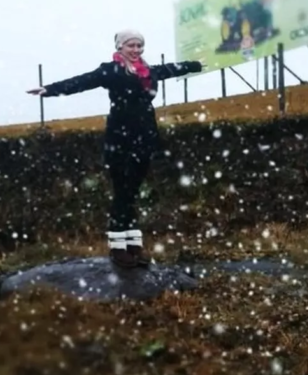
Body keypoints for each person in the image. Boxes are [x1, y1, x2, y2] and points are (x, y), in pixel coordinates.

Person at [26, 30, 204, 268]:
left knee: (132, 192)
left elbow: (172, 68)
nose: (136, 50)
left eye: (139, 46)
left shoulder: (149, 71)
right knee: (122, 191)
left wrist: (195, 65)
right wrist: (49, 89)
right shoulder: (110, 70)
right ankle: (118, 246)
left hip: (145, 137)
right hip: (120, 138)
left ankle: (133, 245)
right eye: (131, 45)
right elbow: (82, 81)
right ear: (120, 47)